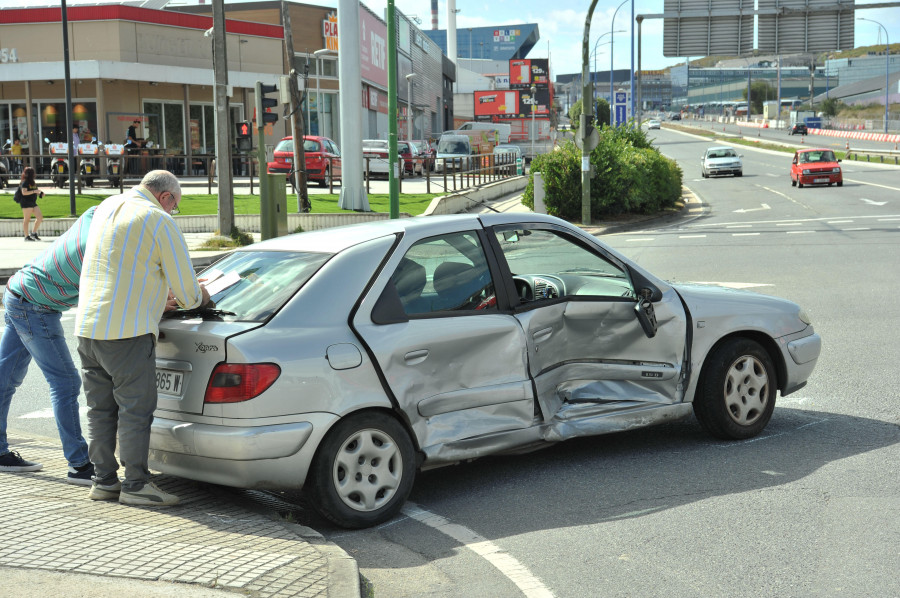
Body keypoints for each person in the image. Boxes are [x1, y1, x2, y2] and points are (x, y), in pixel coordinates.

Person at [75, 170, 210, 507]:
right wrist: (203, 296)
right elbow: (188, 292)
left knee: (100, 411)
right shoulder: (158, 220)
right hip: (127, 332)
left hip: (89, 327)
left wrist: (151, 296)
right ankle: (136, 484)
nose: (172, 212)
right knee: (136, 411)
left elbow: (122, 268)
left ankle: (103, 482)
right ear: (166, 197)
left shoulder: (107, 207)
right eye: (174, 206)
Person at [0, 207, 98, 484]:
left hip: (18, 290)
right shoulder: (106, 246)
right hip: (35, 305)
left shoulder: (95, 214)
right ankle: (79, 465)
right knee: (65, 382)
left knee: (6, 379)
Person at [13, 167, 44, 241]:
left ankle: (33, 233)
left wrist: (40, 193)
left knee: (40, 217)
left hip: (33, 202)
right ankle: (26, 236)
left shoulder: (32, 182)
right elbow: (24, 192)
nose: (34, 174)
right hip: (26, 203)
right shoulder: (24, 182)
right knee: (27, 219)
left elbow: (34, 190)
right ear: (30, 174)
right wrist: (34, 191)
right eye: (33, 173)